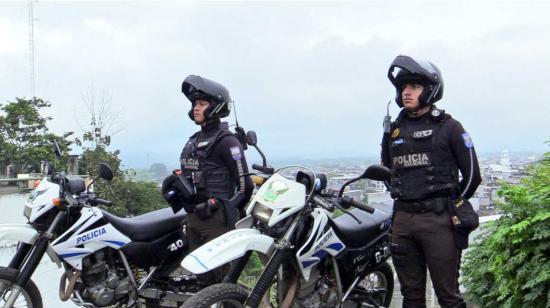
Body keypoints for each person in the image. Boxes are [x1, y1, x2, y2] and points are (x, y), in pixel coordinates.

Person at [381, 55, 481, 308]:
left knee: (448, 297)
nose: (406, 92)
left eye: (414, 86)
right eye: (403, 87)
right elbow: (388, 171)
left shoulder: (449, 127)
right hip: (402, 221)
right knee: (411, 298)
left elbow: (472, 176)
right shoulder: (394, 129)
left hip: (439, 220)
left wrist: (454, 205)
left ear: (430, 90)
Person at [162, 75, 253, 285]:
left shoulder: (227, 141)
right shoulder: (194, 140)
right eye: (195, 103)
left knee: (218, 281)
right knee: (201, 281)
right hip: (193, 218)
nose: (196, 108)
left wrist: (223, 208)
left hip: (216, 221)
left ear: (216, 107)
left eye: (201, 103)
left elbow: (245, 186)